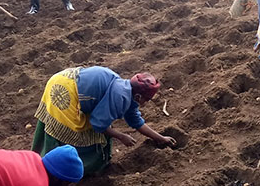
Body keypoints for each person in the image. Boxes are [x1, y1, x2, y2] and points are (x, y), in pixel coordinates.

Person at [32, 67, 175, 174]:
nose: (147, 103)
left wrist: (161, 138)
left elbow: (136, 121)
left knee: (104, 131)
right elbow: (97, 124)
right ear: (138, 97)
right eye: (147, 99)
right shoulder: (120, 96)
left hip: (65, 77)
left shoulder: (127, 89)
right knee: (87, 134)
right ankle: (60, 168)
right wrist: (120, 136)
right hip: (65, 89)